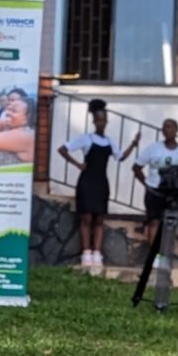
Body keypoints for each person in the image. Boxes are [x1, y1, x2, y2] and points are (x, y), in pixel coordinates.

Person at [57, 99, 139, 267]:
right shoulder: (86, 139)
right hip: (87, 182)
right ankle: (86, 253)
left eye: (104, 120)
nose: (102, 123)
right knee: (86, 217)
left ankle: (97, 253)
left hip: (101, 183)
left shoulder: (109, 141)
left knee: (99, 218)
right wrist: (77, 164)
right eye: (99, 119)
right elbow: (62, 149)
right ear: (94, 120)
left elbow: (120, 157)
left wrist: (133, 144)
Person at [132, 118, 178, 263]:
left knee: (170, 224)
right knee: (154, 223)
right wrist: (146, 184)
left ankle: (166, 256)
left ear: (176, 130)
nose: (168, 130)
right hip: (154, 191)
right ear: (162, 131)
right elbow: (136, 167)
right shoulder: (153, 149)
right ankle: (155, 257)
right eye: (165, 127)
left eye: (171, 127)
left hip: (174, 194)